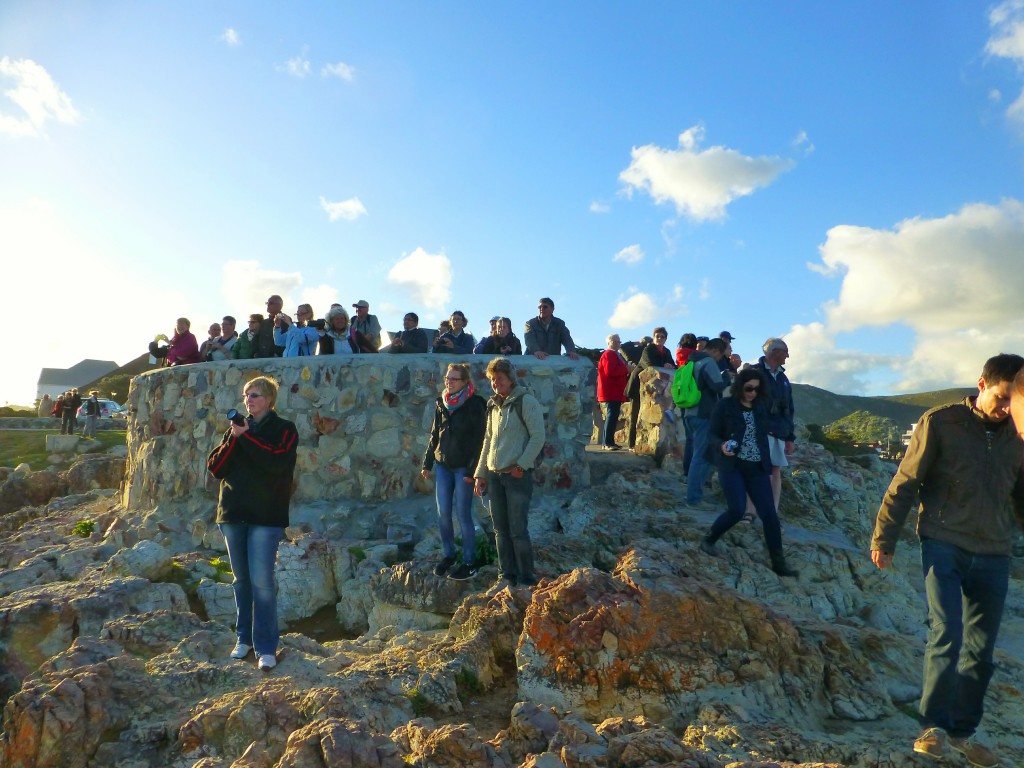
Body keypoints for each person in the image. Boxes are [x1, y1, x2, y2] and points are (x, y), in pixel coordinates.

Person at [871, 354, 1024, 768]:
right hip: (943, 541)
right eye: (1002, 397)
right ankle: (933, 727)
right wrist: (884, 536)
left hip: (994, 549)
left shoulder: (1019, 432)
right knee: (947, 630)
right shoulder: (940, 422)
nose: (1007, 408)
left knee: (982, 649)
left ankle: (963, 732)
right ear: (982, 383)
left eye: (1016, 400)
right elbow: (906, 481)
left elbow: (1021, 496)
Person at [207, 375, 299, 671]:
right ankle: (243, 639)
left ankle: (266, 647)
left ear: (269, 400)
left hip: (266, 516)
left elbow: (276, 463)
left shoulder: (284, 429)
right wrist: (235, 439)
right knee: (241, 581)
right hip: (233, 514)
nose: (249, 400)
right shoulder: (235, 431)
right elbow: (217, 468)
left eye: (255, 395)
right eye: (247, 394)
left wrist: (247, 437)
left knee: (262, 583)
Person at [697, 368, 797, 577]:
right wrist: (722, 445)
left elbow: (780, 420)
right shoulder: (725, 406)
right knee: (737, 510)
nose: (752, 393)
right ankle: (709, 539)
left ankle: (779, 563)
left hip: (757, 467)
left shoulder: (760, 407)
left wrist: (789, 437)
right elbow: (712, 433)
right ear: (740, 386)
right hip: (732, 466)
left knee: (769, 515)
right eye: (749, 388)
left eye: (757, 390)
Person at [473, 357, 545, 588]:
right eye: (493, 380)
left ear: (510, 378)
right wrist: (480, 473)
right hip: (495, 476)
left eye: (500, 379)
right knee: (500, 530)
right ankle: (505, 577)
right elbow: (488, 439)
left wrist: (521, 465)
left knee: (517, 530)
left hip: (517, 477)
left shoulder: (526, 401)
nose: (496, 383)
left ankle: (525, 578)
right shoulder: (493, 405)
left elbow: (538, 437)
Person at [421, 363, 487, 580]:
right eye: (447, 378)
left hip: (463, 468)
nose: (448, 382)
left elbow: (480, 440)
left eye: (454, 379)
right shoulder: (441, 402)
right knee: (443, 514)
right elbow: (434, 435)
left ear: (465, 382)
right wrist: (427, 463)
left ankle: (469, 562)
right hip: (443, 466)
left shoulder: (475, 404)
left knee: (463, 514)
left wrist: (472, 470)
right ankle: (449, 554)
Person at [750, 338, 796, 515]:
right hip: (759, 428)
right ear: (775, 353)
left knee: (775, 469)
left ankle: (772, 511)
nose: (788, 356)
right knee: (757, 469)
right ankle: (750, 510)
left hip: (779, 430)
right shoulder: (755, 372)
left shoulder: (783, 378)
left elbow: (789, 408)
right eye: (785, 352)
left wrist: (790, 437)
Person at [684, 338, 731, 508]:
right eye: (723, 354)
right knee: (701, 457)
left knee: (699, 455)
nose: (721, 358)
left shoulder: (692, 361)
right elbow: (717, 386)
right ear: (717, 350)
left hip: (689, 413)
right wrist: (726, 376)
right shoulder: (708, 362)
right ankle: (694, 499)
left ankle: (694, 494)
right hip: (703, 414)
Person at [625, 327, 676, 451]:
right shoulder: (648, 349)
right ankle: (632, 444)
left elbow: (672, 364)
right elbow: (649, 364)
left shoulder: (667, 351)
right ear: (653, 337)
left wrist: (670, 365)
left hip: (657, 388)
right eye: (657, 336)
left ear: (666, 339)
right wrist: (663, 365)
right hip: (639, 386)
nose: (659, 338)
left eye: (662, 337)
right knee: (635, 414)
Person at [597, 334, 629, 450]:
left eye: (618, 342)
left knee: (613, 415)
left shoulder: (614, 354)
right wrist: (626, 369)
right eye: (615, 341)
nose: (617, 344)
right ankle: (607, 443)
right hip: (611, 390)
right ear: (609, 342)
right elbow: (610, 371)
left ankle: (608, 441)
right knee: (611, 415)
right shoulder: (609, 354)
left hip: (614, 390)